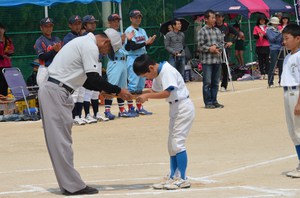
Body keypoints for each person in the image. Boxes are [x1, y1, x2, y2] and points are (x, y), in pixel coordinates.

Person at [38, 28, 133, 195]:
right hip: (56, 91)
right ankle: (72, 186)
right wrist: (119, 91)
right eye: (107, 51)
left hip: (57, 90)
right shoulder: (89, 46)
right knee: (61, 143)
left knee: (61, 142)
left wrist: (106, 90)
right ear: (106, 42)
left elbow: (88, 82)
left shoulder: (83, 42)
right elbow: (94, 78)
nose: (104, 54)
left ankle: (69, 184)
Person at [133, 54, 195, 190]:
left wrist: (147, 96)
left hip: (183, 106)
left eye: (145, 76)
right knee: (171, 145)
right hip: (175, 107)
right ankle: (173, 176)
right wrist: (134, 93)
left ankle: (183, 178)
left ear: (150, 68)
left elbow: (166, 93)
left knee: (177, 143)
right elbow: (154, 90)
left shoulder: (166, 70)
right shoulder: (157, 73)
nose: (146, 79)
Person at [104, 13, 136, 119]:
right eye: (114, 20)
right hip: (114, 61)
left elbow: (126, 49)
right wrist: (121, 41)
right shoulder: (107, 33)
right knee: (112, 86)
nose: (116, 22)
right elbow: (109, 49)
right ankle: (107, 110)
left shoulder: (120, 33)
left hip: (123, 61)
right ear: (109, 22)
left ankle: (122, 110)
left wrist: (128, 40)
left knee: (122, 88)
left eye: (118, 20)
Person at [124, 9, 156, 116]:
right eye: (135, 17)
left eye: (139, 17)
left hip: (142, 58)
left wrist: (149, 43)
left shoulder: (142, 31)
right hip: (133, 58)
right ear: (131, 19)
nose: (138, 19)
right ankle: (130, 108)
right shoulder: (129, 30)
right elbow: (131, 47)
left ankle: (139, 107)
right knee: (133, 84)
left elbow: (145, 46)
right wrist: (145, 43)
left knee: (140, 86)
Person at [280, 24, 300, 178]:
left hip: (296, 93)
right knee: (293, 132)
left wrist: (299, 102)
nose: (284, 42)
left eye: (287, 38)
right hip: (287, 92)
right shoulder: (288, 56)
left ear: (298, 39)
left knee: (299, 131)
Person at [81, 15, 107, 123]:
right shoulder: (85, 37)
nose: (93, 24)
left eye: (94, 22)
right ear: (85, 25)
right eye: (90, 23)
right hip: (89, 64)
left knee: (96, 91)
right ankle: (87, 114)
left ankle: (96, 113)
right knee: (88, 90)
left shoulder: (94, 36)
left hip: (97, 63)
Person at [198, 10, 224, 109]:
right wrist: (210, 49)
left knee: (216, 82)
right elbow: (200, 46)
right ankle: (208, 102)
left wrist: (216, 48)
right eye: (212, 18)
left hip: (217, 60)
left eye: (215, 18)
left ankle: (214, 100)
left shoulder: (217, 31)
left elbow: (221, 43)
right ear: (206, 19)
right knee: (207, 82)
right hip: (207, 61)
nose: (214, 20)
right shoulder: (202, 31)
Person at [63, 15, 86, 125]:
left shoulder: (82, 36)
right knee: (74, 93)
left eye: (79, 24)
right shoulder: (68, 37)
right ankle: (73, 116)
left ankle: (79, 115)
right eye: (75, 24)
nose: (77, 26)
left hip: (81, 68)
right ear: (70, 25)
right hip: (73, 68)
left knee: (81, 92)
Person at [215, 12, 239, 92]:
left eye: (219, 17)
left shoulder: (226, 26)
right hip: (215, 50)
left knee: (225, 67)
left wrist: (231, 42)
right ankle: (215, 85)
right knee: (215, 67)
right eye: (216, 17)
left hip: (224, 49)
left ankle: (224, 85)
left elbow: (237, 34)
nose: (218, 19)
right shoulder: (213, 26)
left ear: (222, 18)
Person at [266, 17, 283, 88]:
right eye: (275, 23)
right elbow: (272, 39)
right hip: (273, 49)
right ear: (272, 23)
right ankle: (270, 82)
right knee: (273, 65)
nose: (276, 25)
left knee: (281, 66)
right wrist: (279, 33)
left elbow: (280, 39)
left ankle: (281, 81)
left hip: (280, 48)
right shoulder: (269, 30)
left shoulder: (278, 29)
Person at [253, 14, 270, 80]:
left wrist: (263, 35)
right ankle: (262, 73)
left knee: (267, 60)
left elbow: (269, 36)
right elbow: (254, 36)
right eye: (261, 20)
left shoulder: (267, 27)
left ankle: (267, 73)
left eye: (263, 20)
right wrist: (259, 35)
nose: (262, 21)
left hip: (266, 45)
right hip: (259, 46)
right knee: (260, 61)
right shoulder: (256, 27)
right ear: (259, 20)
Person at [0, 23, 14, 96]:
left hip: (7, 66)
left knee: (5, 85)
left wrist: (9, 53)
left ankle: (4, 100)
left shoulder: (8, 40)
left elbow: (11, 50)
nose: (0, 30)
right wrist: (3, 56)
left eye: (1, 28)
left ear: (4, 30)